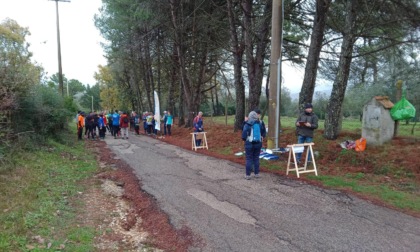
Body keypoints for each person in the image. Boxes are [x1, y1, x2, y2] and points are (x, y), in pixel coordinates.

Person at [241, 109, 266, 180]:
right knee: (256, 158)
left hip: (249, 143)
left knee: (249, 158)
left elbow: (243, 135)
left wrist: (245, 140)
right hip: (258, 143)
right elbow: (264, 133)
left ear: (250, 116)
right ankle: (257, 174)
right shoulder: (260, 123)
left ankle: (248, 175)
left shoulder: (247, 123)